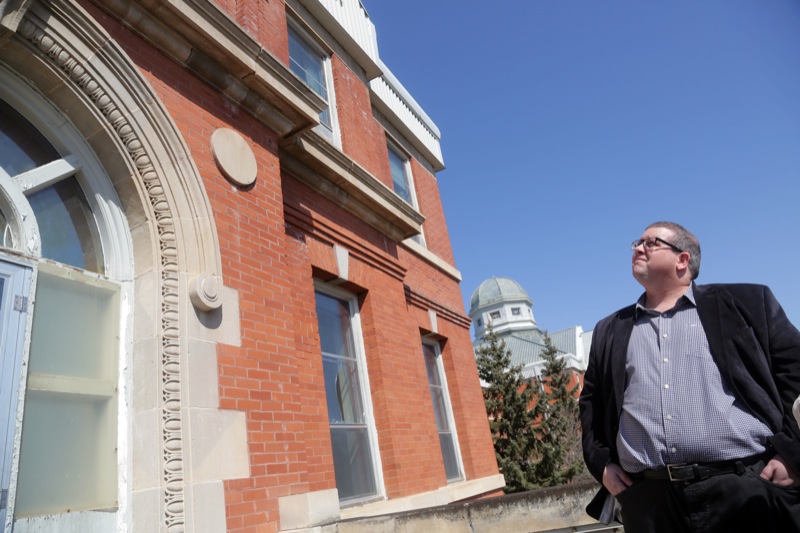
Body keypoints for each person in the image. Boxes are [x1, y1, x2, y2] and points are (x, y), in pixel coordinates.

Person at [580, 221, 800, 532]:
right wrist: (601, 464)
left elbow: (795, 375)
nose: (638, 248)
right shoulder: (610, 329)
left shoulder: (747, 303)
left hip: (744, 487)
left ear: (683, 259)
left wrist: (792, 454)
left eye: (650, 242)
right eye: (636, 243)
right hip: (648, 501)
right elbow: (592, 403)